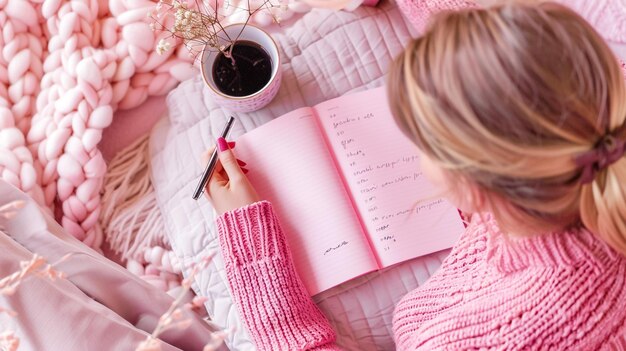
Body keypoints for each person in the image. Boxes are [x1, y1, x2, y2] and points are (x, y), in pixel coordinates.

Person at [202, 2, 626, 349]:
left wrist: (252, 245)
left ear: (475, 191)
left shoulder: (503, 336)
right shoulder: (598, 113)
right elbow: (508, 63)